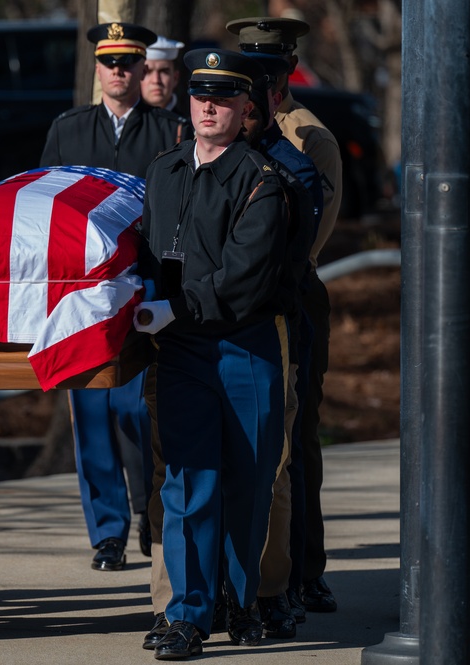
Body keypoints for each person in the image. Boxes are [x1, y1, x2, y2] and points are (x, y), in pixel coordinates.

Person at [134, 49, 289, 659]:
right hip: (181, 351)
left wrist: (176, 307)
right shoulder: (165, 170)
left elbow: (245, 275)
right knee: (188, 481)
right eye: (200, 95)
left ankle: (239, 599)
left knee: (248, 485)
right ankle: (189, 614)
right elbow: (147, 249)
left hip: (243, 347)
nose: (207, 106)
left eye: (222, 98)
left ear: (246, 108)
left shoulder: (262, 179)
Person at [39, 21, 192, 573]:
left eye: (129, 61)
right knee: (91, 411)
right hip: (81, 293)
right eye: (111, 62)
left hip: (143, 284)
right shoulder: (68, 129)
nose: (120, 71)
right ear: (98, 69)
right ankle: (107, 533)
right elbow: (45, 211)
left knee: (138, 409)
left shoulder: (171, 130)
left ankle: (150, 516)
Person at [228, 15, 344, 616]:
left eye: (268, 70)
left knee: (297, 437)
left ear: (284, 75)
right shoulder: (224, 124)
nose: (258, 82)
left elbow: (313, 233)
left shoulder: (307, 137)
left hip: (294, 290)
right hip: (242, 299)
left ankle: (306, 566)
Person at [242, 54, 323, 641]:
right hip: (206, 329)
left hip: (273, 323)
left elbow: (292, 260)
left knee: (280, 458)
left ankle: (282, 586)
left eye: (259, 93)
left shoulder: (293, 167)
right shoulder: (194, 160)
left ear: (274, 96)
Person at [141, 35, 187, 116]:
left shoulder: (188, 126)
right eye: (148, 72)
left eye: (163, 72)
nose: (156, 80)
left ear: (175, 78)